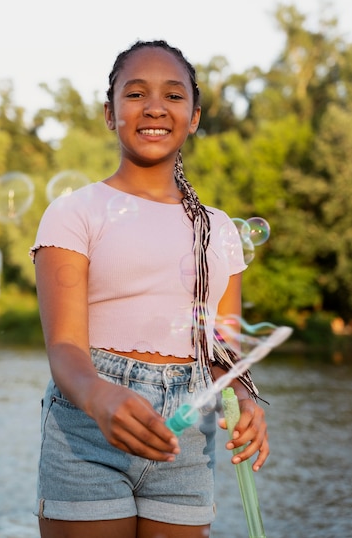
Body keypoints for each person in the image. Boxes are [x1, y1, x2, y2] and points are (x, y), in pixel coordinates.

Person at [30, 40, 269, 538]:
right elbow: (66, 347)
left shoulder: (219, 229)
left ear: (195, 116)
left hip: (187, 436)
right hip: (87, 429)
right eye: (135, 94)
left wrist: (246, 402)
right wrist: (98, 396)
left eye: (173, 96)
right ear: (109, 113)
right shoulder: (75, 213)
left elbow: (223, 351)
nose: (155, 106)